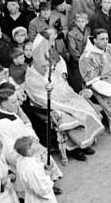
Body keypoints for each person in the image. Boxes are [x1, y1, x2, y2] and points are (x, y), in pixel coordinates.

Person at [24, 30, 104, 161]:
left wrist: (62, 81)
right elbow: (37, 92)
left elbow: (60, 72)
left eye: (53, 41)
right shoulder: (33, 68)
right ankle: (73, 148)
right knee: (67, 116)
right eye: (49, 41)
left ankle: (84, 142)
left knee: (82, 106)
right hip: (48, 101)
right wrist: (53, 92)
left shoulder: (52, 55)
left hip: (63, 94)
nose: (52, 44)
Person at [13, 135, 63, 203]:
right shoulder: (31, 168)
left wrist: (43, 169)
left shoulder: (22, 161)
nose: (36, 144)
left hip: (32, 198)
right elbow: (41, 189)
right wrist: (48, 175)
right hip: (41, 201)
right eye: (33, 144)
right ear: (29, 150)